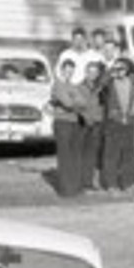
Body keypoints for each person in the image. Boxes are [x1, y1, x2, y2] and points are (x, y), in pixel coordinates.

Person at [50, 59, 87, 197]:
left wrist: (73, 101)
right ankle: (66, 189)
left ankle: (75, 186)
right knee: (64, 156)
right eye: (67, 70)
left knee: (74, 156)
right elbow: (68, 103)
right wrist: (72, 101)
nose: (69, 73)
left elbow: (83, 103)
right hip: (62, 122)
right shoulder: (57, 85)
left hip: (74, 122)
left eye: (71, 71)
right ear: (62, 70)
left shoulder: (73, 86)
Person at [100, 57, 134, 191]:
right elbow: (100, 83)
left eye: (122, 68)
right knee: (111, 153)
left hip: (129, 121)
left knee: (128, 153)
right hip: (113, 122)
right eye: (117, 69)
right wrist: (111, 70)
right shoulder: (109, 83)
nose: (120, 71)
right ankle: (111, 184)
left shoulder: (133, 82)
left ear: (127, 69)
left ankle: (128, 183)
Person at [80, 60, 107, 191]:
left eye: (95, 72)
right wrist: (86, 118)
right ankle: (81, 180)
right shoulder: (79, 87)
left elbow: (103, 106)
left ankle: (89, 181)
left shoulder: (100, 88)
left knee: (93, 154)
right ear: (86, 72)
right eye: (90, 72)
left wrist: (99, 119)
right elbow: (77, 107)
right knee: (82, 153)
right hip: (84, 124)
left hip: (96, 124)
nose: (92, 74)